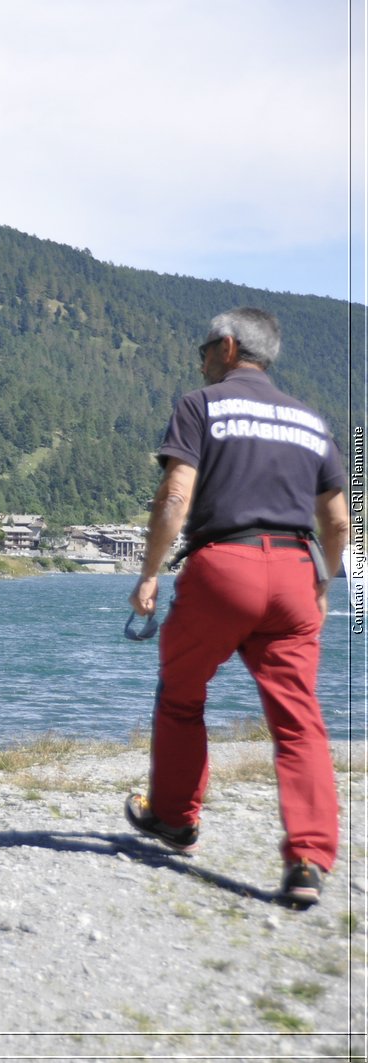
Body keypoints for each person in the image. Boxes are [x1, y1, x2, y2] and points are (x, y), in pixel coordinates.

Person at [127, 308, 349, 908]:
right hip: (296, 572)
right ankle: (307, 858)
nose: (200, 359)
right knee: (298, 717)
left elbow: (176, 493)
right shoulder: (310, 420)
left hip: (226, 565)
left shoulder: (202, 404)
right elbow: (338, 520)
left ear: (227, 347)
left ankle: (174, 818)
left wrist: (149, 571)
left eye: (204, 348)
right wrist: (323, 584)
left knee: (181, 692)